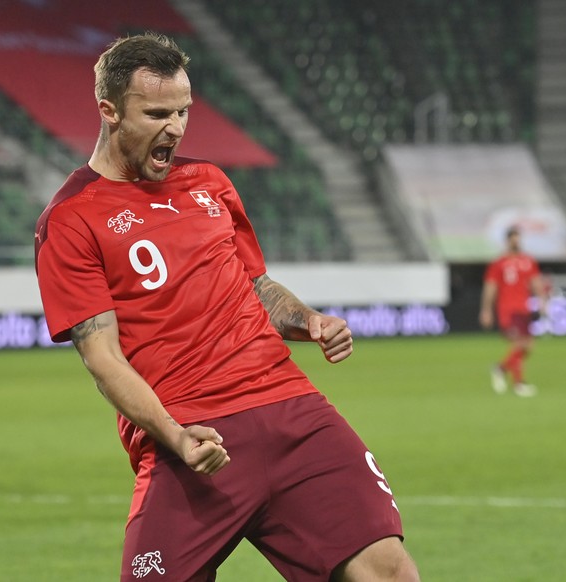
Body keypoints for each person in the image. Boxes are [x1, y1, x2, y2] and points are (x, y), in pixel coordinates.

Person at [34, 33, 419, 581]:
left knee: (388, 572)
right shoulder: (71, 219)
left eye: (184, 111)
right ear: (109, 111)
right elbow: (104, 360)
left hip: (292, 411)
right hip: (191, 435)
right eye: (158, 113)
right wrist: (176, 435)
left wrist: (308, 320)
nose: (176, 127)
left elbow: (256, 286)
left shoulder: (209, 182)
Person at [479, 226, 549, 397]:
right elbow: (491, 287)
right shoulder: (498, 263)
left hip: (523, 308)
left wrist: (542, 300)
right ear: (508, 240)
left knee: (528, 346)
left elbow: (535, 281)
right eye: (513, 239)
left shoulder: (528, 261)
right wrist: (486, 309)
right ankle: (519, 384)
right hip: (507, 309)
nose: (516, 242)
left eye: (518, 238)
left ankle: (501, 368)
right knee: (519, 344)